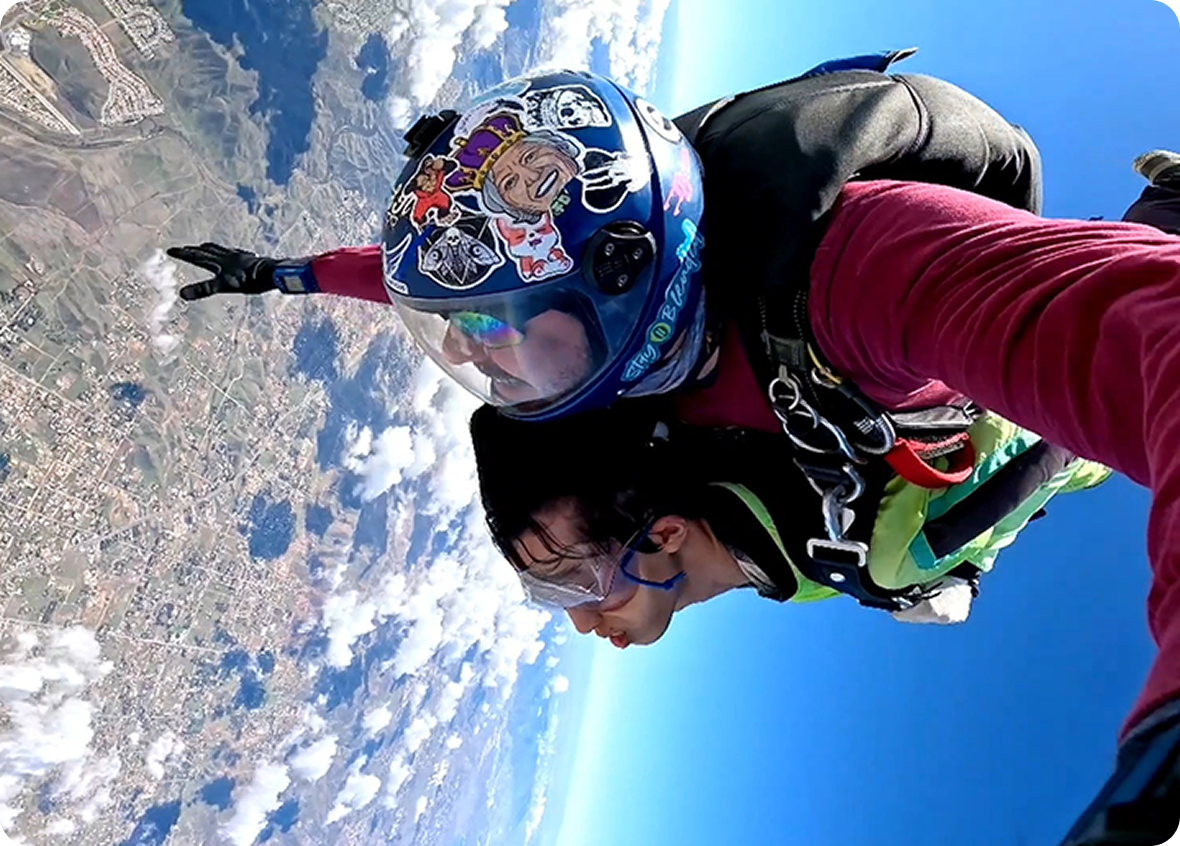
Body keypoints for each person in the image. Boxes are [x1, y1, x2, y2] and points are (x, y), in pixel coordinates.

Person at [169, 62, 1180, 842]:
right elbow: (468, 288)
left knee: (928, 536)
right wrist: (285, 274)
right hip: (898, 470)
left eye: (569, 586)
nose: (498, 363)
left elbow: (1154, 328)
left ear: (618, 281)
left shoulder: (855, 272)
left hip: (993, 387)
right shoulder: (633, 400)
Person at [468, 399, 1108, 639]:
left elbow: (1048, 432)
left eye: (577, 583)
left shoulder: (873, 559)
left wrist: (957, 568)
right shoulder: (769, 536)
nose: (581, 622)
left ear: (664, 534)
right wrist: (965, 568)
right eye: (548, 591)